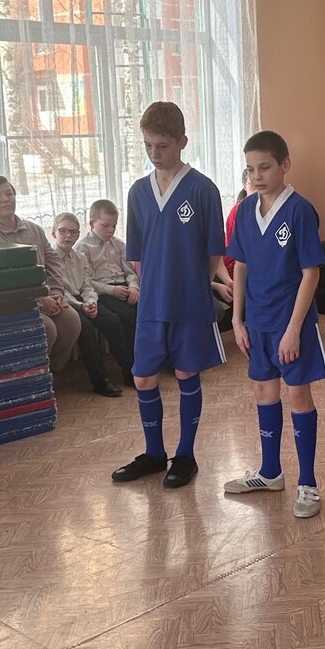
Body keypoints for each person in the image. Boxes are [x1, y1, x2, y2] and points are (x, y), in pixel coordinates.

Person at [110, 101, 225, 489]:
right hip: (151, 304)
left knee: (186, 373)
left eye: (161, 146)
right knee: (143, 378)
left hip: (190, 302)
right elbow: (137, 255)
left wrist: (193, 285)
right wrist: (152, 288)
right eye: (147, 146)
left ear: (182, 142)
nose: (154, 153)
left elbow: (213, 252)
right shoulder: (138, 192)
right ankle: (154, 454)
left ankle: (185, 455)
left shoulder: (203, 189)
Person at [225, 130, 325, 518]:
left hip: (291, 325)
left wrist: (293, 330)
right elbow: (241, 267)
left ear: (284, 165)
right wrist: (237, 319)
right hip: (257, 322)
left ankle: (308, 483)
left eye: (265, 167)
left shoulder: (300, 210)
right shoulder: (245, 211)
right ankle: (270, 472)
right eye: (251, 169)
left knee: (298, 396)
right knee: (263, 391)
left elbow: (311, 274)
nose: (257, 176)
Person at [0, 176, 82, 372]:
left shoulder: (34, 229)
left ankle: (52, 374)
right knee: (46, 328)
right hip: (11, 304)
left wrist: (56, 292)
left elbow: (53, 262)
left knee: (71, 321)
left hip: (47, 296)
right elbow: (2, 280)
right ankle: (33, 377)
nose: (5, 199)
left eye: (9, 193)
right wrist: (39, 300)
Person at [51, 211, 124, 397]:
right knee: (86, 327)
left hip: (84, 299)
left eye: (73, 232)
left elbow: (87, 285)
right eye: (63, 231)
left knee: (112, 320)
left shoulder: (80, 257)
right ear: (53, 233)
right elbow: (59, 290)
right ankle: (101, 381)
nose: (68, 236)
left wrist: (91, 301)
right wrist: (80, 305)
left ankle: (129, 370)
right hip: (65, 303)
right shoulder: (49, 259)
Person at [78, 198, 137, 381]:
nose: (110, 230)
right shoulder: (83, 248)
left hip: (124, 287)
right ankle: (131, 369)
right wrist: (112, 291)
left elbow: (130, 272)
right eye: (105, 226)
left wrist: (134, 287)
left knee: (150, 311)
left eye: (114, 226)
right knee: (124, 318)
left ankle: (152, 360)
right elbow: (86, 281)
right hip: (103, 291)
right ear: (92, 224)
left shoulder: (118, 244)